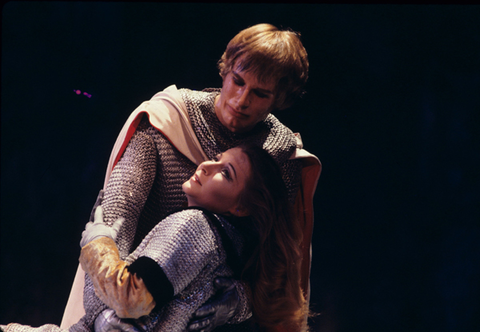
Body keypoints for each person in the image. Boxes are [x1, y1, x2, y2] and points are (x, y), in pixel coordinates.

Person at [60, 23, 321, 331]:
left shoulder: (278, 159)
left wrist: (238, 302)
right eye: (237, 81)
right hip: (128, 300)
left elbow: (275, 262)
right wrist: (113, 307)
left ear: (279, 100)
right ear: (224, 70)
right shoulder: (166, 121)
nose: (241, 101)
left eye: (260, 94)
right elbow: (117, 217)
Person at [1, 144, 309, 332]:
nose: (206, 165)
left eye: (225, 173)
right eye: (216, 157)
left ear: (241, 207)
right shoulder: (230, 250)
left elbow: (127, 303)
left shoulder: (193, 228)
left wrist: (97, 243)